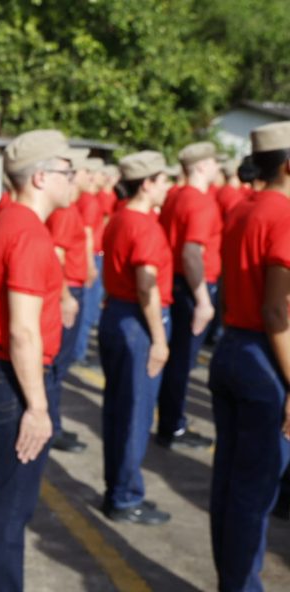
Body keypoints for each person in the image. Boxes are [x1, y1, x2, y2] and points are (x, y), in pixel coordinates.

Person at [0, 130, 75, 592]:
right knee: (10, 507)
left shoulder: (8, 224)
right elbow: (23, 331)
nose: (76, 180)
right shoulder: (28, 233)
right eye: (68, 171)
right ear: (42, 176)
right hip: (16, 377)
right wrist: (38, 406)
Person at [209, 121, 290, 591]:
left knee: (230, 484)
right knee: (254, 492)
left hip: (234, 347)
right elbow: (277, 309)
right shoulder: (281, 215)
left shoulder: (243, 209)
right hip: (266, 355)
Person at [99, 151, 174, 525]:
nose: (168, 187)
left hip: (117, 314)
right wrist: (159, 339)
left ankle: (117, 487)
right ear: (147, 184)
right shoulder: (143, 224)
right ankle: (125, 497)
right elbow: (147, 285)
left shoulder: (119, 218)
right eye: (163, 180)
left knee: (118, 409)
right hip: (137, 321)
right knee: (135, 413)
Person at [156, 141, 221, 450]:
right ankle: (173, 425)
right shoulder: (199, 201)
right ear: (199, 167)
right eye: (213, 162)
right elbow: (192, 253)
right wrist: (204, 301)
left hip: (177, 284)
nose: (218, 168)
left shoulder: (175, 196)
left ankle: (170, 421)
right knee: (182, 362)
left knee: (177, 359)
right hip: (193, 286)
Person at [45, 147, 91, 454]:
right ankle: (52, 428)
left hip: (74, 288)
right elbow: (57, 256)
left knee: (60, 367)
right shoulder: (64, 212)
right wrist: (65, 298)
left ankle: (55, 424)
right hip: (68, 291)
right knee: (56, 367)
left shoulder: (70, 208)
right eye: (86, 171)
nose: (90, 177)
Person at [73, 158, 106, 364]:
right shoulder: (90, 201)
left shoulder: (86, 199)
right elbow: (87, 234)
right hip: (90, 256)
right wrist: (91, 265)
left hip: (89, 255)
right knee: (86, 307)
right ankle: (79, 352)